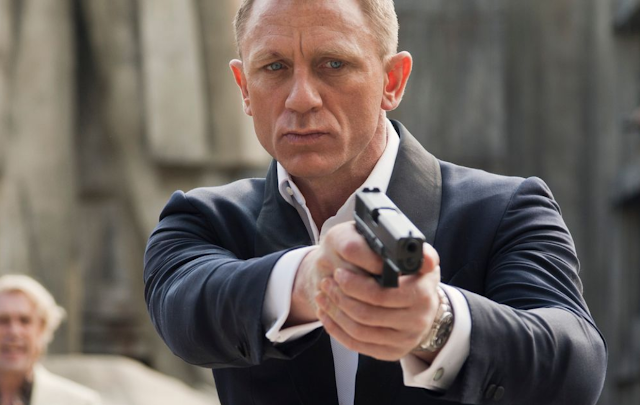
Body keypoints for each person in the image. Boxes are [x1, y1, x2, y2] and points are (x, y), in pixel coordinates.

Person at [143, 0, 607, 404]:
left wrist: (437, 323)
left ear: (393, 80)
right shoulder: (202, 218)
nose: (301, 98)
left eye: (333, 64)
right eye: (275, 67)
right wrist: (308, 280)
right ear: (244, 87)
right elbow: (185, 316)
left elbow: (577, 366)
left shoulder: (506, 209)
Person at [0, 275, 101, 405]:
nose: (14, 331)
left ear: (42, 328)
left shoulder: (80, 402)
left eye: (25, 321)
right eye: (3, 321)